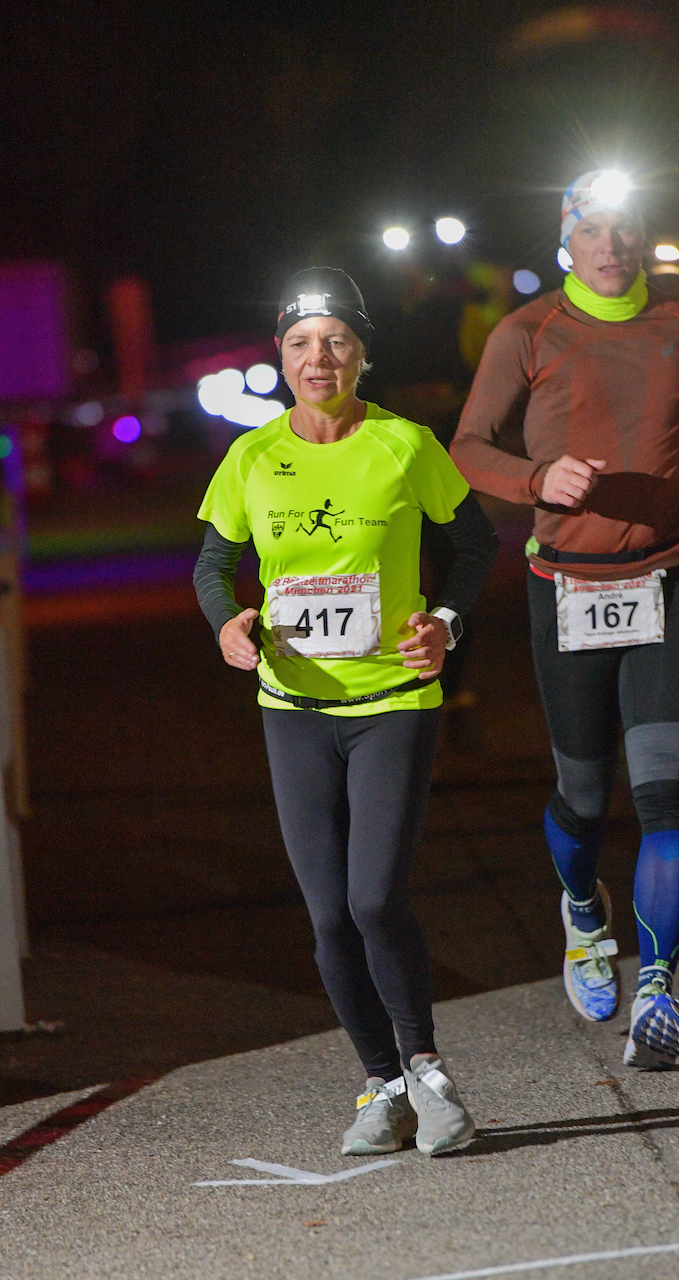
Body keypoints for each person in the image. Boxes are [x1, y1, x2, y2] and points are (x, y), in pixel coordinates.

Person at [193, 268, 498, 1151]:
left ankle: (428, 1070)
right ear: (280, 358)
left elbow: (472, 545)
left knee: (374, 900)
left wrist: (444, 621)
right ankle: (381, 1087)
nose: (317, 358)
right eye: (298, 343)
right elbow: (214, 565)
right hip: (291, 706)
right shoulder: (252, 456)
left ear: (362, 352)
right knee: (326, 913)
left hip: (394, 700)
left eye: (334, 341)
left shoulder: (405, 445)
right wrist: (227, 624)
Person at [451, 171, 679, 1068]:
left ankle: (657, 987)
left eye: (625, 229)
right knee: (585, 796)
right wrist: (536, 481)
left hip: (668, 579)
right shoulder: (526, 333)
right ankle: (584, 915)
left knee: (665, 789)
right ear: (565, 242)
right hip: (567, 586)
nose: (610, 246)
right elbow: (467, 446)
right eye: (591, 230)